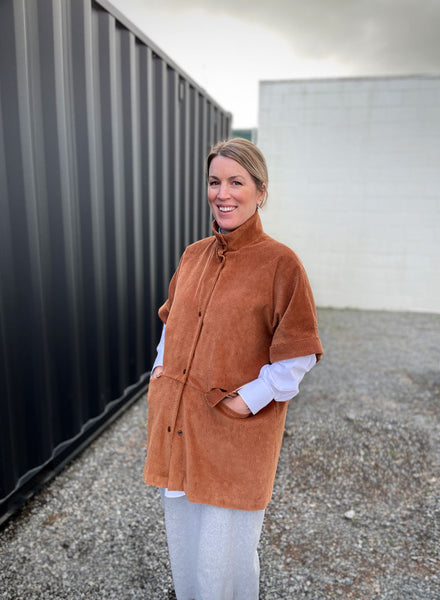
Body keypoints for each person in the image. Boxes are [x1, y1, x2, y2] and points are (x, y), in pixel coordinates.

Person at [143, 138, 323, 600]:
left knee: (224, 561)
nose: (223, 193)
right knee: (184, 548)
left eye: (236, 182)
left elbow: (298, 352)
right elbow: (172, 323)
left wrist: (248, 400)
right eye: (214, 182)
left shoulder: (282, 264)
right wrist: (161, 369)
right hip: (178, 427)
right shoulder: (193, 255)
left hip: (234, 436)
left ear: (260, 191)